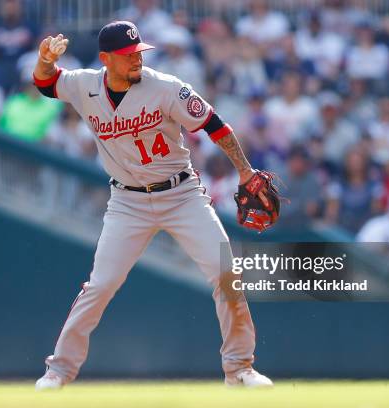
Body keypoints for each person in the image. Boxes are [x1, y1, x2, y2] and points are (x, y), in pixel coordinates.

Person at [32, 21, 275, 389]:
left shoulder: (167, 87)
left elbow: (215, 124)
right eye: (128, 55)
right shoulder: (84, 85)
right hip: (126, 202)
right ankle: (59, 371)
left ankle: (239, 368)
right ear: (106, 59)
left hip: (181, 195)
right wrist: (45, 60)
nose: (136, 60)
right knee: (100, 285)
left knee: (227, 273)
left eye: (139, 53)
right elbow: (46, 83)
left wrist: (244, 171)